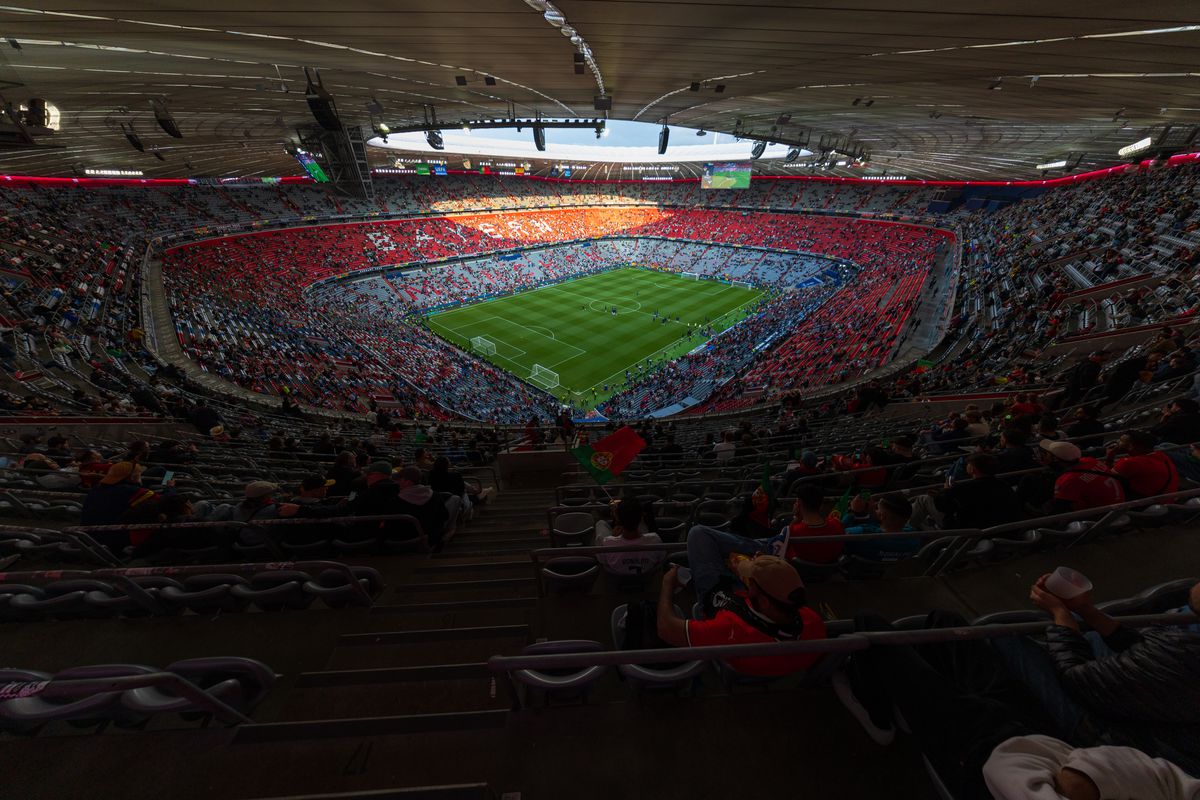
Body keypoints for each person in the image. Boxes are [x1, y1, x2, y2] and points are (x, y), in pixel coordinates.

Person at [993, 574, 1200, 775]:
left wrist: (1059, 614)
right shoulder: (1180, 647)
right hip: (1160, 710)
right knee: (1084, 626)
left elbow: (1075, 678)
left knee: (1001, 635)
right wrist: (1086, 610)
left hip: (1124, 740)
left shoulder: (1184, 654)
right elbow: (1147, 650)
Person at [655, 558, 827, 677]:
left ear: (765, 601)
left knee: (697, 535)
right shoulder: (813, 621)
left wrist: (667, 584)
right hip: (773, 665)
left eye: (750, 582)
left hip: (723, 615)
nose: (746, 582)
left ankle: (688, 578)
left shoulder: (730, 629)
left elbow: (666, 628)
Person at [910, 453, 1022, 530]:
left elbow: (944, 507)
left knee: (922, 499)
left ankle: (900, 531)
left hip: (969, 528)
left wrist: (946, 491)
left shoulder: (964, 487)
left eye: (968, 464)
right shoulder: (1004, 484)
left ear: (973, 469)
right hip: (998, 526)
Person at [1035, 440, 1125, 514]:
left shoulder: (1068, 480)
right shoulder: (1090, 460)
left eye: (1047, 454)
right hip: (1119, 505)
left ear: (1055, 459)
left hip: (1101, 515)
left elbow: (1056, 509)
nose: (1044, 455)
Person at [594, 496, 663, 575]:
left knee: (600, 523)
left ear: (618, 518)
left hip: (617, 579)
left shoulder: (607, 542)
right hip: (647, 579)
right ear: (641, 517)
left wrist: (613, 537)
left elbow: (602, 561)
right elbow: (660, 558)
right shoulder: (655, 539)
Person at [843, 494, 922, 562]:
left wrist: (852, 512)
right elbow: (888, 530)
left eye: (877, 509)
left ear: (882, 516)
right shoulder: (914, 540)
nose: (876, 510)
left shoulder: (862, 533)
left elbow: (837, 533)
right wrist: (874, 514)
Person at [1105, 430, 1179, 499]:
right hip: (1164, 499)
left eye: (1121, 441)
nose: (1117, 442)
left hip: (1144, 503)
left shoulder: (1130, 463)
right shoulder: (1162, 455)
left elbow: (1105, 479)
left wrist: (1109, 457)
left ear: (1131, 446)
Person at [784, 483, 844, 563]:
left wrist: (797, 518)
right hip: (829, 571)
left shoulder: (793, 530)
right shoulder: (837, 524)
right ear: (821, 505)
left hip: (800, 571)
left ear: (799, 503)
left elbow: (782, 547)